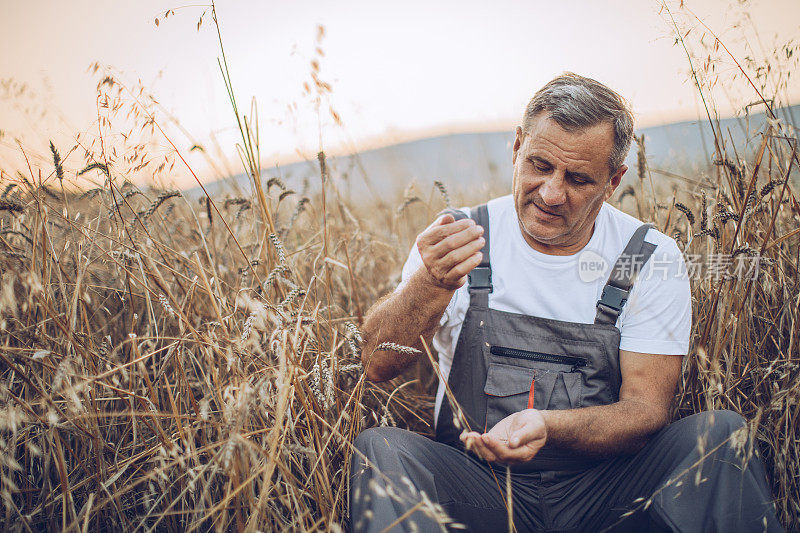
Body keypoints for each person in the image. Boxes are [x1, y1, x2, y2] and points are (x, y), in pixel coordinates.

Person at [349, 73, 781, 532]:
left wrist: (549, 426)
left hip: (604, 493)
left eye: (577, 179)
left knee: (721, 438)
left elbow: (646, 410)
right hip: (478, 489)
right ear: (516, 148)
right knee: (381, 451)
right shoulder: (458, 238)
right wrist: (430, 282)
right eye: (540, 165)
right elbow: (375, 365)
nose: (552, 194)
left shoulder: (648, 257)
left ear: (614, 180)